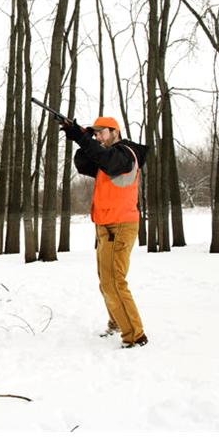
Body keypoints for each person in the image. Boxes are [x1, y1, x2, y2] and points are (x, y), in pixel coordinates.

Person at [61, 116, 149, 349]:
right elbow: (83, 163)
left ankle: (135, 335)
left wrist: (83, 137)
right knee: (106, 282)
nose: (98, 137)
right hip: (106, 227)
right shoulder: (107, 155)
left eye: (101, 133)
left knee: (115, 282)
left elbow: (106, 160)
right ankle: (118, 322)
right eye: (96, 133)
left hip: (119, 226)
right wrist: (83, 138)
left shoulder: (125, 154)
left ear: (115, 131)